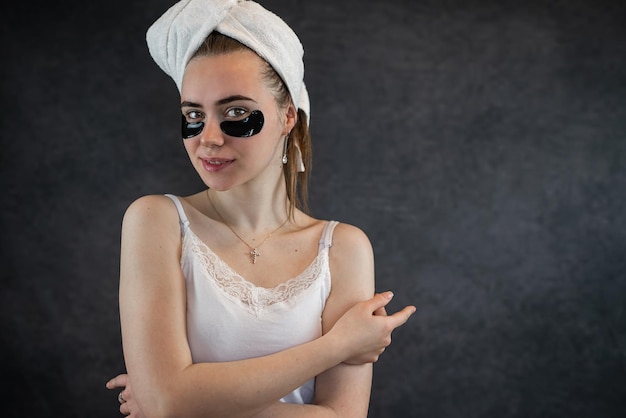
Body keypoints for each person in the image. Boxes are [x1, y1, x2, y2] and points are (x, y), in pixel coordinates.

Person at [105, 0, 416, 416]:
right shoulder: (156, 220)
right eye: (194, 115)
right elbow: (167, 400)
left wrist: (186, 401)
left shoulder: (343, 248)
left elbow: (344, 417)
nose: (208, 138)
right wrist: (337, 345)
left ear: (288, 116)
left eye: (236, 113)